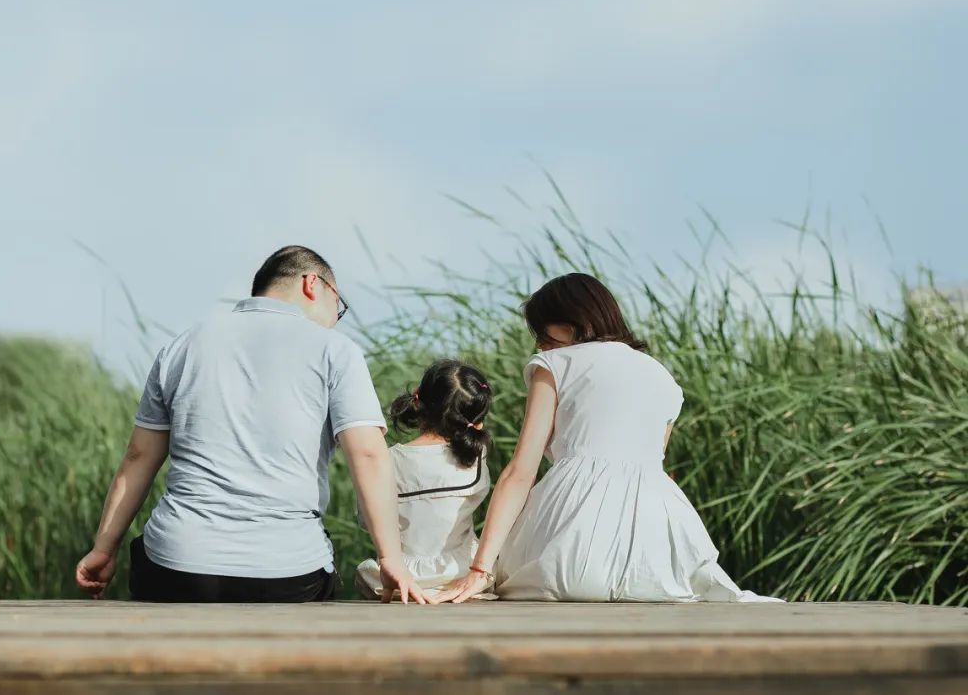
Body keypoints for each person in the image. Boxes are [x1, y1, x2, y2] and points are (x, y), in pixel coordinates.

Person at [74, 245, 429, 604]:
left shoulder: (181, 347)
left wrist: (104, 549)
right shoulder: (336, 350)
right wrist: (391, 558)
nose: (337, 318)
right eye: (338, 304)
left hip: (176, 569)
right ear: (312, 284)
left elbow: (138, 457)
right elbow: (368, 454)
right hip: (289, 574)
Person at [436, 273, 781, 603]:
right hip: (662, 557)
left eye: (542, 330)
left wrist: (480, 569)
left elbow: (520, 472)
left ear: (573, 323)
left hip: (570, 549)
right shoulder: (662, 376)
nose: (539, 341)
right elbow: (652, 466)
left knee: (523, 572)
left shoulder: (554, 363)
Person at [355, 360, 496, 601]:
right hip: (460, 572)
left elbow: (366, 520)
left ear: (418, 401)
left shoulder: (389, 460)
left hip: (401, 577)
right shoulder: (475, 457)